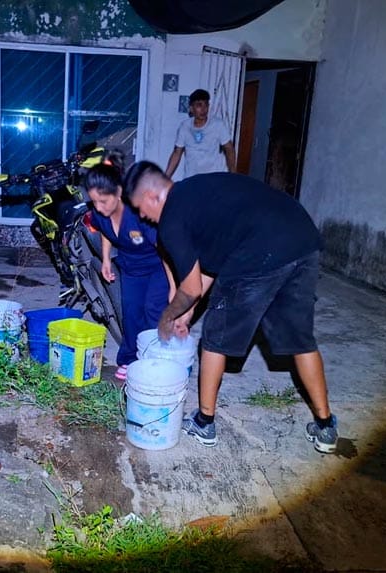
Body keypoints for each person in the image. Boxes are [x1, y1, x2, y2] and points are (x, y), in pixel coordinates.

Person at [123, 161, 338, 454]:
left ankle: (204, 422)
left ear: (151, 196)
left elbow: (191, 288)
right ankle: (326, 426)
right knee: (301, 341)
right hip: (301, 238)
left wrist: (168, 316)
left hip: (259, 250)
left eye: (139, 208)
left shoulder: (171, 220)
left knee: (214, 339)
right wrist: (187, 312)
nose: (142, 217)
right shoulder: (197, 191)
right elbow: (209, 268)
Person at [84, 154, 173, 381]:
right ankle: (129, 358)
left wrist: (174, 286)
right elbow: (105, 233)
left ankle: (154, 360)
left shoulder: (138, 214)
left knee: (153, 311)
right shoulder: (99, 213)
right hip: (130, 268)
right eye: (94, 202)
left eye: (103, 201)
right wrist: (106, 260)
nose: (98, 207)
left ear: (119, 192)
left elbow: (165, 250)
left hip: (158, 267)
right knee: (131, 313)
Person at [165, 89, 236, 178]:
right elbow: (177, 153)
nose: (203, 109)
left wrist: (233, 175)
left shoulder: (218, 125)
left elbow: (229, 149)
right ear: (191, 108)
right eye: (199, 105)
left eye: (206, 105)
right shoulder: (185, 127)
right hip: (192, 178)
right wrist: (165, 178)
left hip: (214, 178)